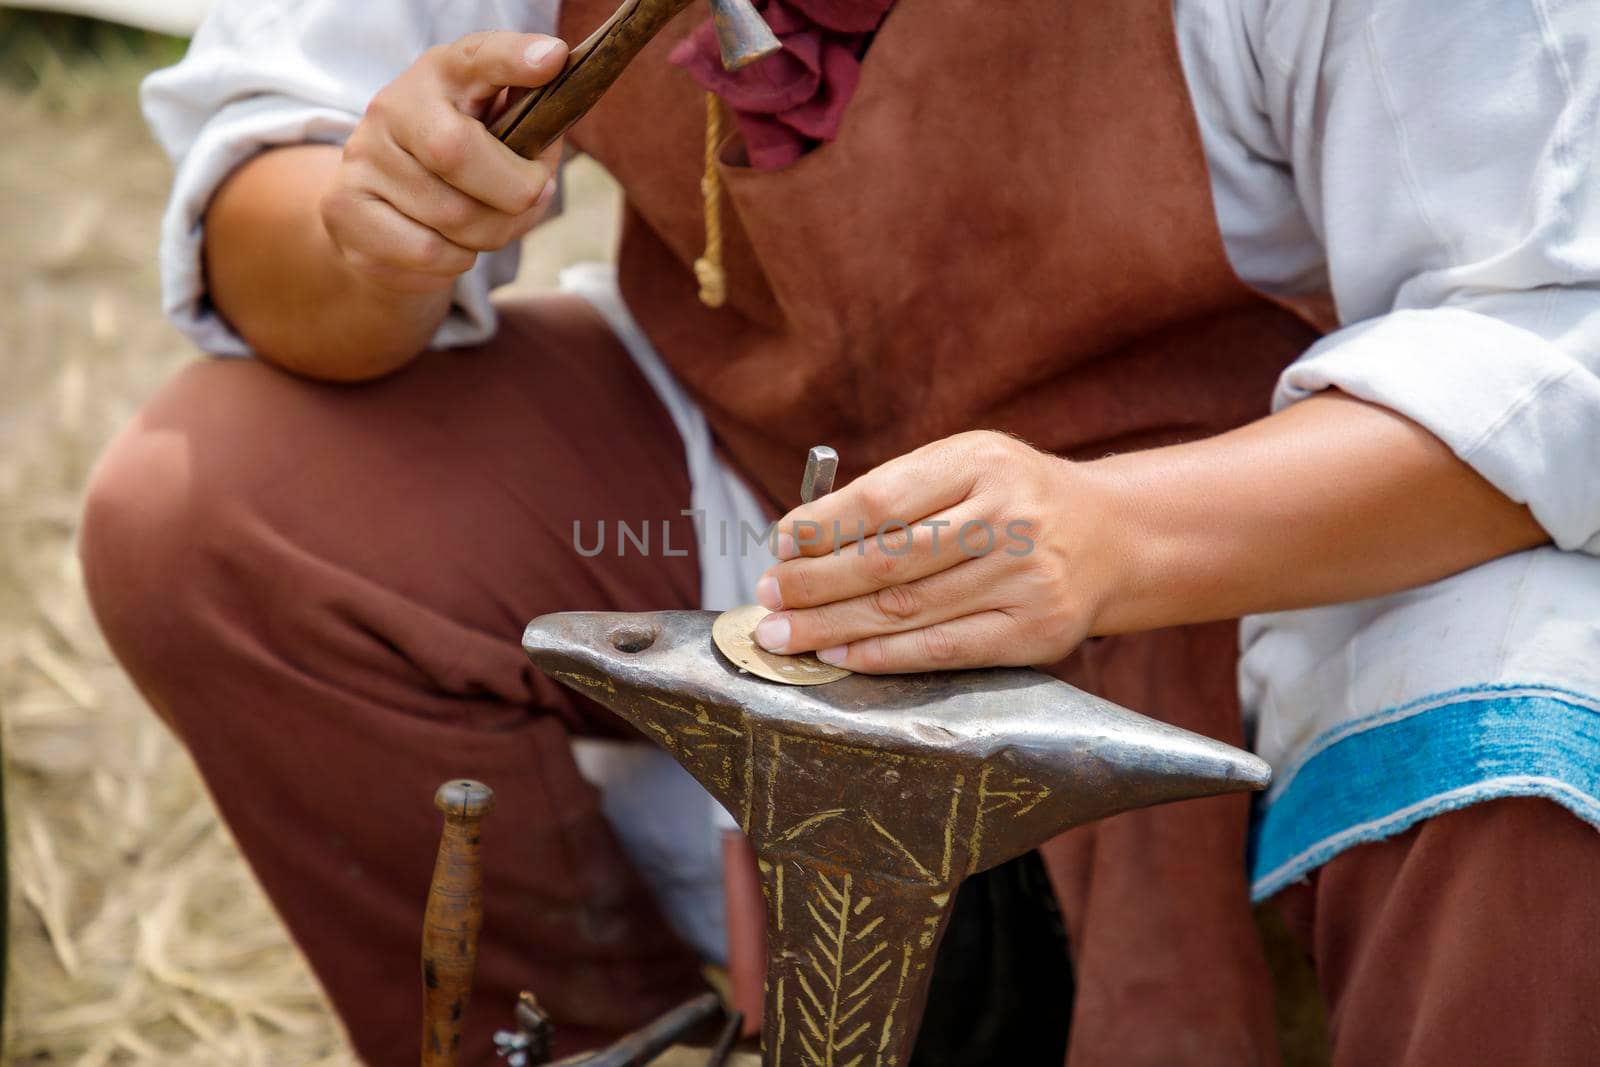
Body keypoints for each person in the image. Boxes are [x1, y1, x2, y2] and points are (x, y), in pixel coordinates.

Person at [81, 0, 1600, 1063]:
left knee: (1536, 731)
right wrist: (370, 231)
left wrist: (1119, 536)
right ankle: (622, 1040)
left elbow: (1556, 340)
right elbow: (267, 154)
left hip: (1281, 535)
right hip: (789, 492)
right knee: (217, 509)